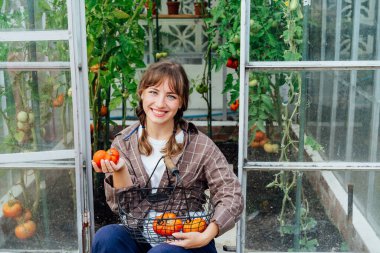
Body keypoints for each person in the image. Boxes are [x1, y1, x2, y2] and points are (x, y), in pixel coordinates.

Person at [91, 59, 243, 253]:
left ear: (181, 102)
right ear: (142, 94)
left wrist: (206, 235)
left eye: (171, 96)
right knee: (107, 237)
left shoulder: (199, 145)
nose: (160, 103)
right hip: (140, 235)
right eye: (153, 92)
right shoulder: (123, 143)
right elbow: (119, 206)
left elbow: (231, 194)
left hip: (188, 240)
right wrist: (119, 170)